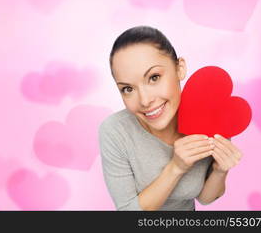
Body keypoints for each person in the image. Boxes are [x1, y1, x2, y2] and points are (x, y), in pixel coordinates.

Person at [98, 26, 243, 211]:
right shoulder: (115, 131)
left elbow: (206, 198)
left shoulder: (210, 116)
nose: (145, 100)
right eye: (128, 89)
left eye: (154, 77)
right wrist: (176, 167)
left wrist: (220, 171)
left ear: (179, 68)